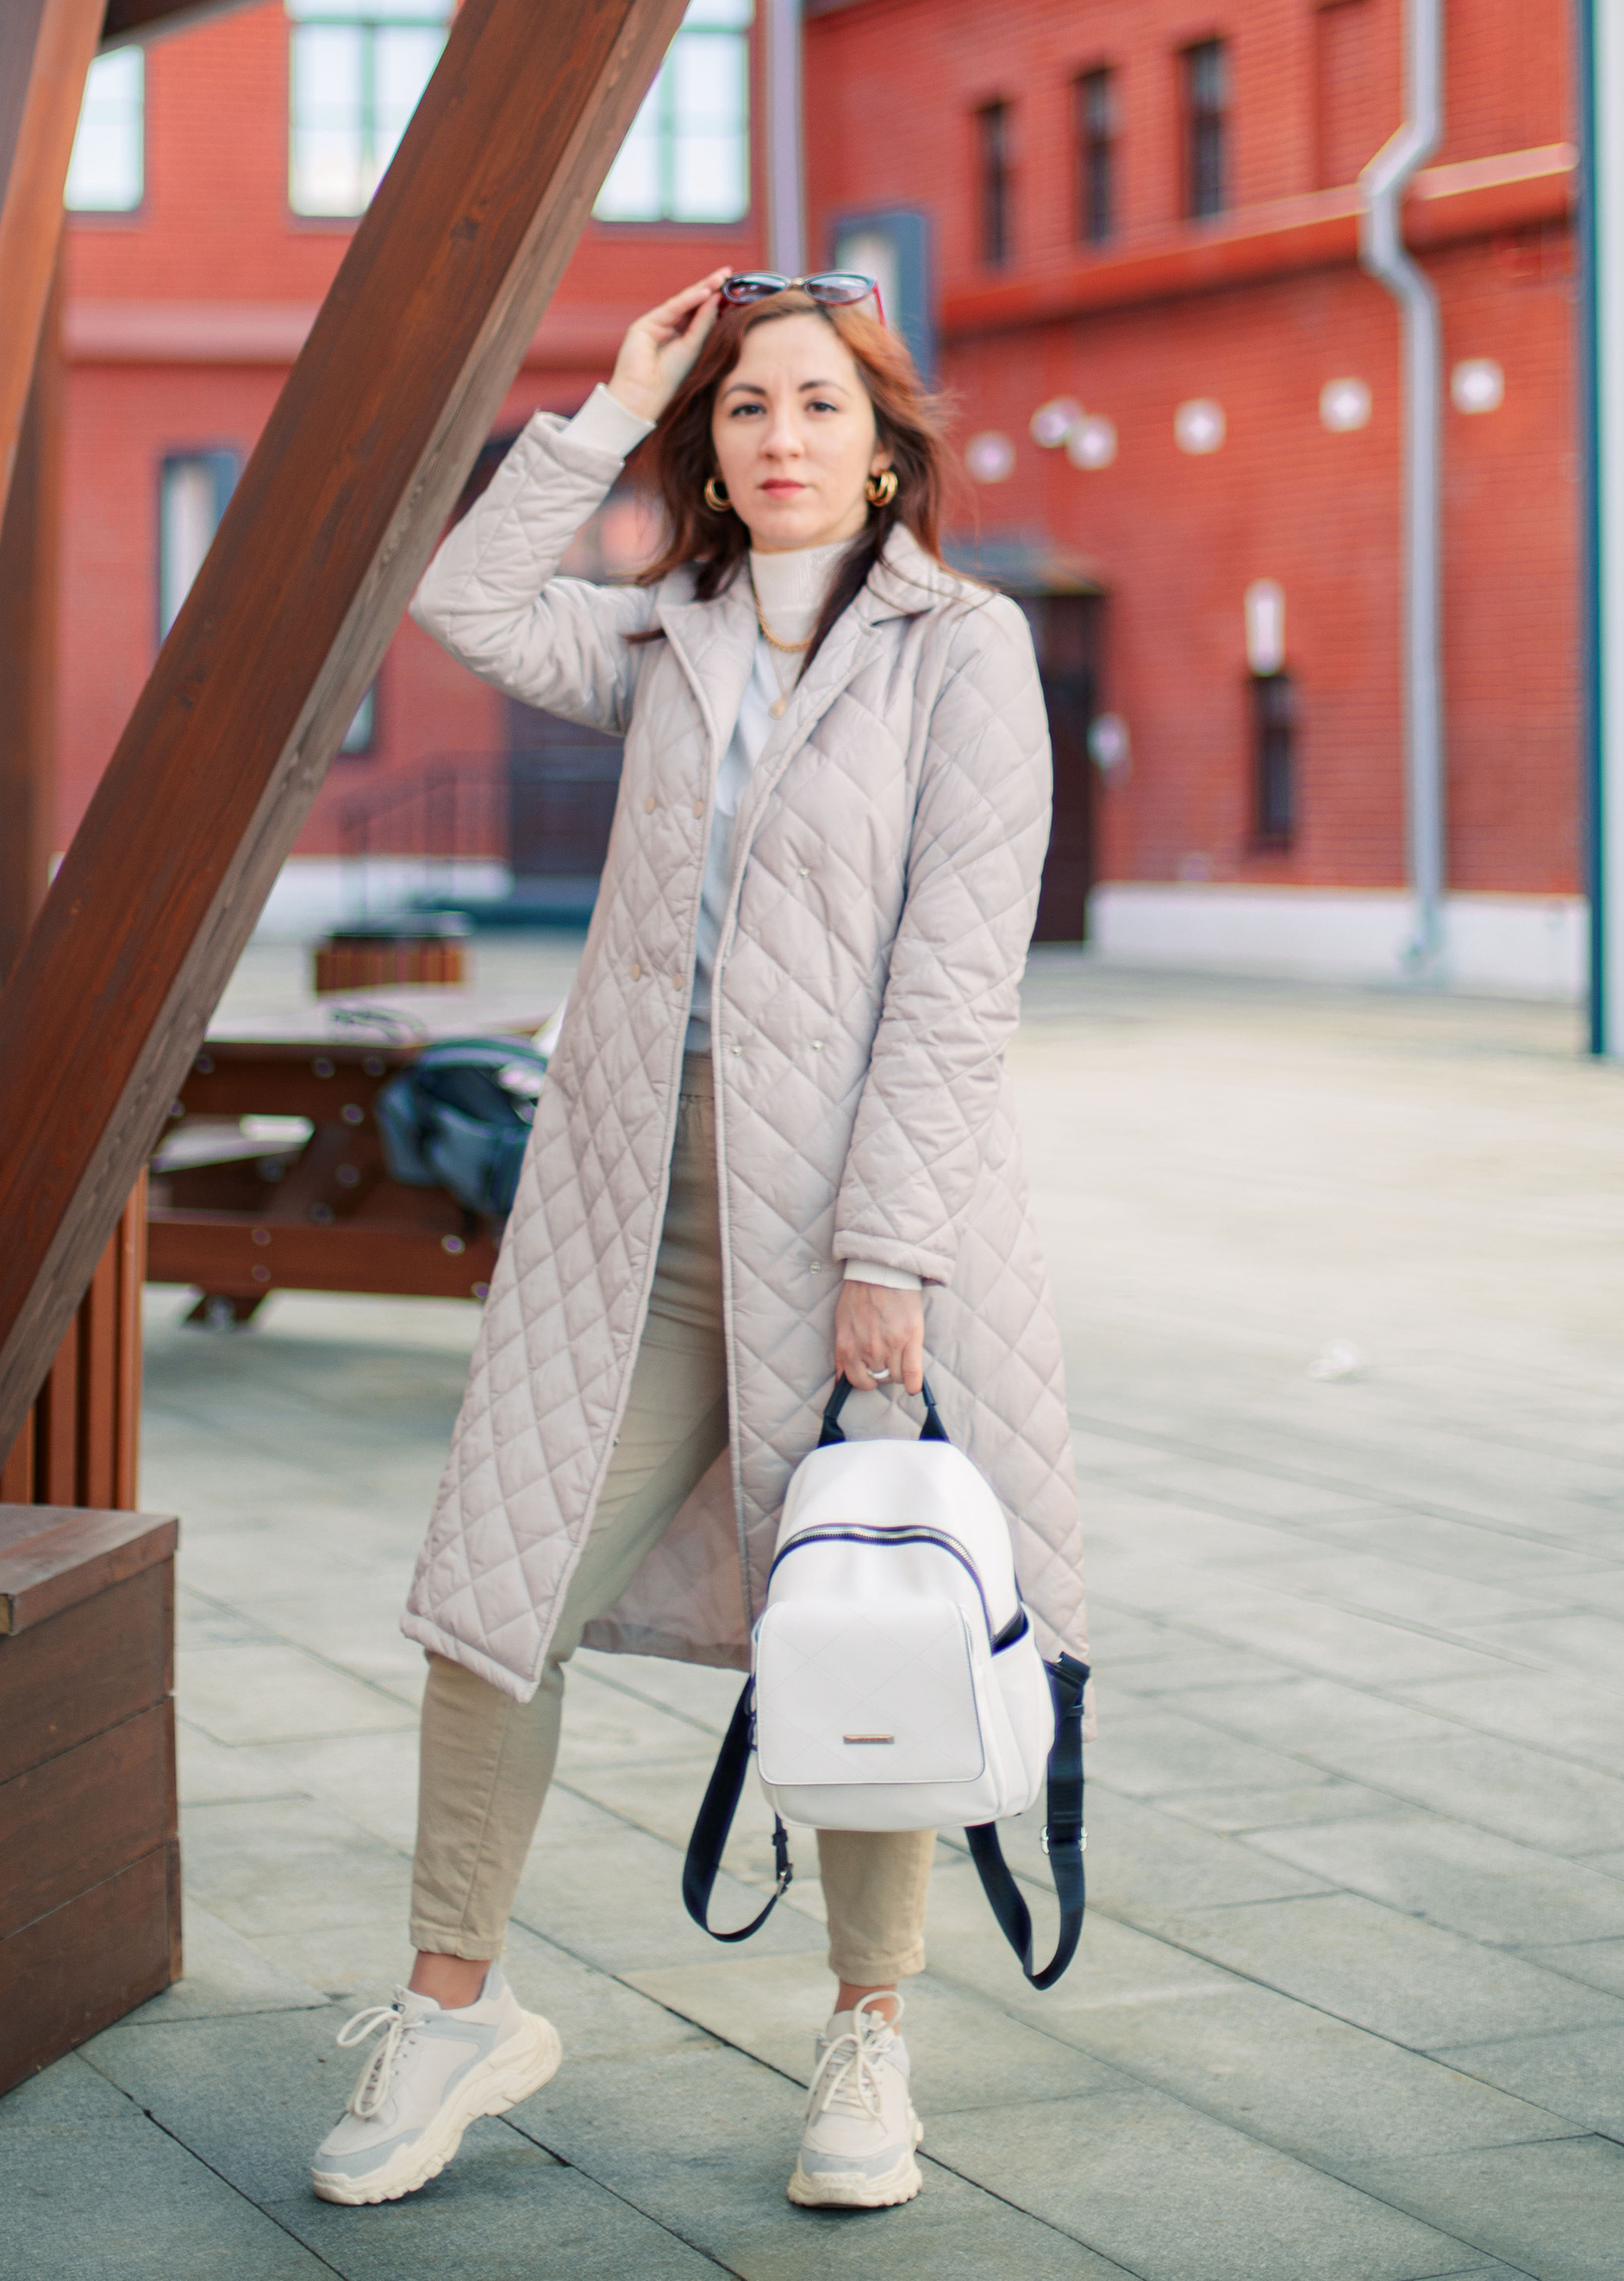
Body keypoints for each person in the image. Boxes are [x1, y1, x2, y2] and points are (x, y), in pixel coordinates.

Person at [309, 269, 1087, 2215]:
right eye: (744, 411)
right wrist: (607, 402)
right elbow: (467, 598)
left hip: (857, 1224)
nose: (782, 438)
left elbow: (953, 978)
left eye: (818, 405)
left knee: (865, 1614)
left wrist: (889, 1249)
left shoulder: (961, 653)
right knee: (495, 1598)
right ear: (714, 459)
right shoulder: (660, 635)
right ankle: (448, 2009)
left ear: (885, 443)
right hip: (628, 1215)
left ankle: (867, 2039)